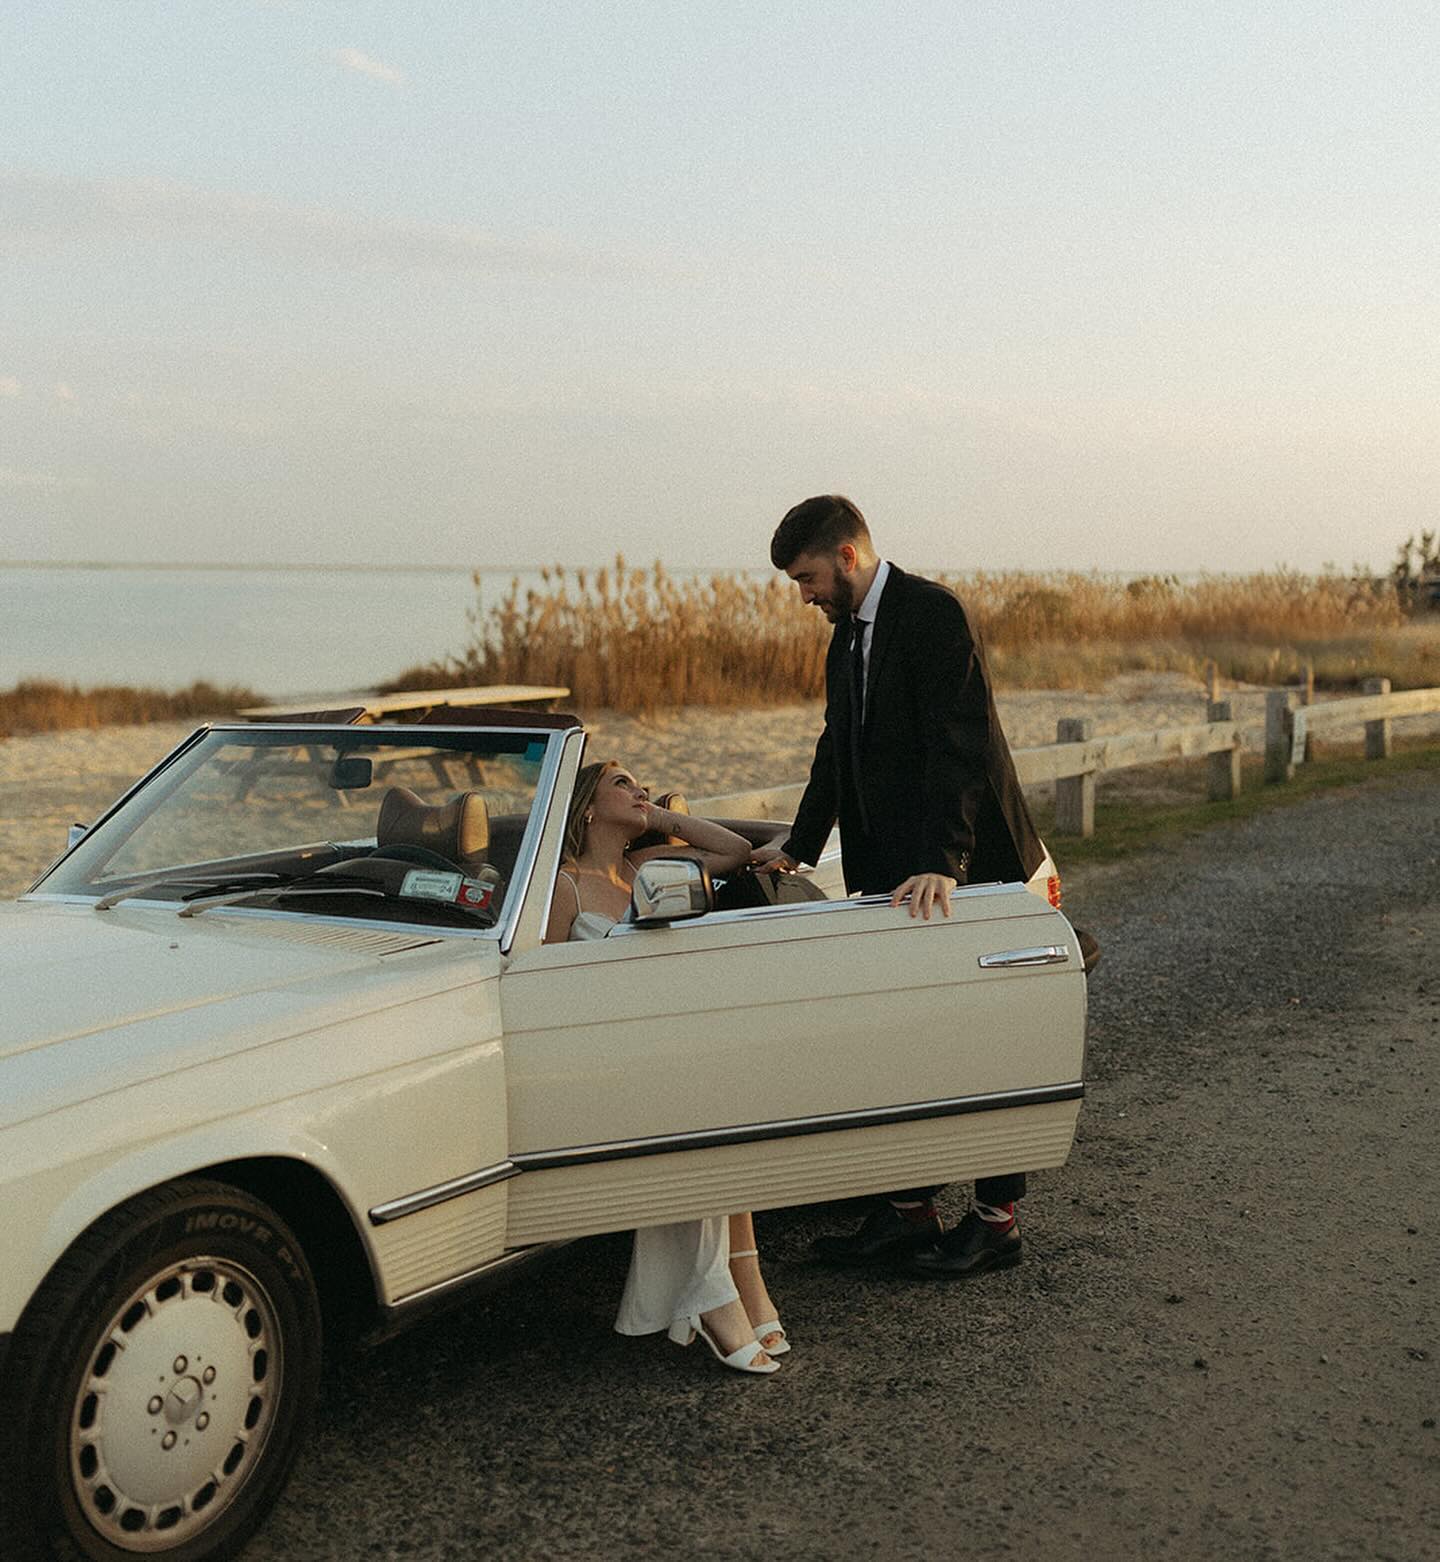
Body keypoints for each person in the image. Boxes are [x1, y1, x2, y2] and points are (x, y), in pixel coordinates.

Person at [753, 494, 1047, 1280]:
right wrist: (802, 842)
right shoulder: (844, 636)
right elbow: (835, 746)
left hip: (968, 870)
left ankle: (995, 1223)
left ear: (847, 556)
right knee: (904, 1037)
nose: (803, 594)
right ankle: (908, 1213)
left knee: (985, 1040)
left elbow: (962, 746)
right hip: (891, 875)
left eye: (808, 576)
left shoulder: (932, 615)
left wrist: (943, 863)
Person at [545, 759, 788, 1373]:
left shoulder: (645, 870)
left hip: (663, 1049)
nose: (638, 790)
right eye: (621, 783)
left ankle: (733, 1287)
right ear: (588, 809)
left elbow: (734, 851)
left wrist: (660, 816)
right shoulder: (563, 888)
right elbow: (541, 990)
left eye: (641, 784)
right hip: (598, 1058)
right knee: (706, 1103)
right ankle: (720, 1297)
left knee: (720, 1095)